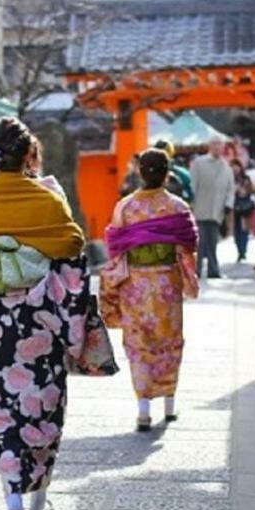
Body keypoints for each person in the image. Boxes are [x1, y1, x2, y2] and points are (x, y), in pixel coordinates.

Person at [0, 117, 107, 510]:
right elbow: (73, 255)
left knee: (4, 410)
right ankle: (39, 497)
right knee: (44, 403)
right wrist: (73, 322)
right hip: (42, 319)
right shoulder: (48, 203)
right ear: (28, 156)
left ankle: (13, 506)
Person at [100, 149, 200, 431]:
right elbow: (188, 245)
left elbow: (116, 247)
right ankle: (169, 402)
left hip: (135, 283)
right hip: (167, 282)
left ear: (139, 172)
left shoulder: (125, 207)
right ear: (168, 173)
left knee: (139, 342)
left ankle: (143, 409)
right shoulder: (178, 207)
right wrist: (188, 276)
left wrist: (111, 285)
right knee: (168, 340)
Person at [189, 138, 234, 278]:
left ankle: (213, 270)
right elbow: (192, 185)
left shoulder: (226, 167)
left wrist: (228, 204)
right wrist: (190, 204)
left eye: (220, 144)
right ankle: (196, 270)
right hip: (199, 209)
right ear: (209, 146)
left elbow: (230, 189)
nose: (217, 147)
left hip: (217, 211)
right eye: (214, 144)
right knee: (199, 243)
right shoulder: (198, 163)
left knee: (213, 242)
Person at [230, 158, 255, 262]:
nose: (235, 168)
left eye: (237, 166)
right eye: (233, 166)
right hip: (233, 206)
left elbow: (250, 190)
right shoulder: (229, 178)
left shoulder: (246, 178)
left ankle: (243, 251)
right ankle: (239, 250)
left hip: (245, 206)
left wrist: (243, 191)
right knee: (236, 230)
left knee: (244, 229)